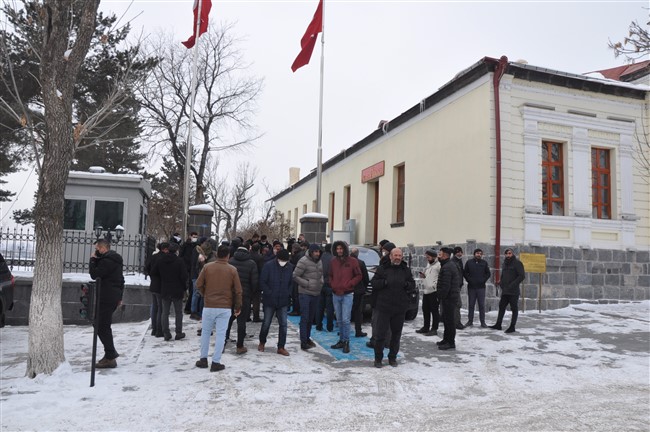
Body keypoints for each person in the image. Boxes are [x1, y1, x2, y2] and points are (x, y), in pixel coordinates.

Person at [195, 245, 242, 372]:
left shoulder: (207, 267)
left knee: (205, 333)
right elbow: (238, 291)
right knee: (221, 335)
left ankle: (203, 359)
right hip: (225, 306)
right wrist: (237, 306)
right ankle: (216, 362)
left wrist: (205, 294)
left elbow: (198, 284)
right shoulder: (232, 270)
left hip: (209, 305)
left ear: (217, 255)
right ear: (228, 256)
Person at [371, 248, 415, 368]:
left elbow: (412, 284)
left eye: (399, 256)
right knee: (380, 335)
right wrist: (384, 282)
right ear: (390, 256)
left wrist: (406, 284)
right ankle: (378, 359)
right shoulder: (382, 269)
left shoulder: (405, 270)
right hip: (383, 307)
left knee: (396, 335)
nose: (397, 258)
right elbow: (374, 283)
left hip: (399, 308)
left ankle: (392, 358)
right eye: (395, 255)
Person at [89, 239, 125, 368]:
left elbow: (94, 274)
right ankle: (110, 354)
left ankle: (110, 356)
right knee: (102, 324)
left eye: (97, 249)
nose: (96, 251)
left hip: (106, 296)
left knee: (100, 325)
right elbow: (121, 280)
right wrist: (119, 297)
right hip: (112, 295)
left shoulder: (107, 261)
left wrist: (92, 260)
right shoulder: (114, 260)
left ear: (103, 248)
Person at [258, 249, 294, 356]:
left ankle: (281, 347)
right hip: (269, 300)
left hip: (283, 300)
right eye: (282, 260)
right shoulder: (268, 266)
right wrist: (269, 292)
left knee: (283, 324)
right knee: (266, 323)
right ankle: (262, 342)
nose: (283, 262)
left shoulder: (289, 267)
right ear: (277, 259)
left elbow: (291, 282)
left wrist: (288, 293)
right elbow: (262, 281)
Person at [329, 241, 362, 354]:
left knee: (345, 319)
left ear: (345, 249)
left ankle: (346, 341)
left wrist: (350, 284)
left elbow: (359, 275)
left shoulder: (352, 261)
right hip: (335, 294)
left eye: (341, 248)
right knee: (339, 319)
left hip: (347, 294)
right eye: (337, 249)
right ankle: (341, 340)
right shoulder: (333, 261)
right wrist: (332, 284)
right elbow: (330, 275)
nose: (339, 251)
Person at [226, 245, 259, 354]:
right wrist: (251, 294)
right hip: (245, 295)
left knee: (229, 318)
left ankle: (224, 338)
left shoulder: (230, 261)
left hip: (230, 295)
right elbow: (254, 282)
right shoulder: (251, 263)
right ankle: (240, 345)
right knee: (241, 320)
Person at [152, 242, 187, 341]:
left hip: (165, 289)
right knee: (178, 312)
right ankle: (178, 332)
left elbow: (154, 272)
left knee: (165, 312)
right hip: (177, 289)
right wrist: (184, 287)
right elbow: (184, 276)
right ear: (176, 251)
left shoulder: (160, 260)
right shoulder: (180, 261)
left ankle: (166, 333)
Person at [292, 243, 323, 350]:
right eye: (315, 251)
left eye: (318, 251)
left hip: (316, 293)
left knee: (310, 318)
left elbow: (321, 274)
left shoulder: (319, 261)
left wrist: (321, 282)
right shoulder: (303, 261)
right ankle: (303, 341)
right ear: (311, 252)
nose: (317, 253)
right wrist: (307, 283)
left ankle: (307, 337)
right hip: (305, 293)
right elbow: (295, 275)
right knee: (305, 318)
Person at [367, 241, 395, 349]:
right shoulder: (382, 264)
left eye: (384, 251)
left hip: (383, 299)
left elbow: (377, 282)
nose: (383, 253)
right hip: (380, 298)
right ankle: (381, 340)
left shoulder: (387, 266)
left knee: (379, 322)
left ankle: (379, 341)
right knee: (378, 321)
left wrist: (383, 282)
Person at [490, 248, 526, 333]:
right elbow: (503, 275)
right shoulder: (505, 264)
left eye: (510, 253)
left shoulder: (517, 263)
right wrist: (501, 283)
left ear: (512, 254)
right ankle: (498, 324)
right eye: (506, 253)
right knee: (501, 306)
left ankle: (512, 326)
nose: (508, 255)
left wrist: (512, 284)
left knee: (514, 309)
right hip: (505, 290)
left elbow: (521, 276)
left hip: (513, 291)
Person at [436, 247, 462, 350]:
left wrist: (441, 297)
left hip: (449, 298)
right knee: (446, 320)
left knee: (450, 320)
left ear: (445, 255)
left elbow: (446, 285)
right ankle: (446, 339)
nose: (438, 256)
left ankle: (451, 342)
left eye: (440, 254)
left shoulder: (448, 266)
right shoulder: (447, 265)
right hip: (448, 297)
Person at [463, 248, 491, 327]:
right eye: (477, 253)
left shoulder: (484, 263)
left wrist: (483, 280)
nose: (479, 255)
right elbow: (465, 273)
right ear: (474, 254)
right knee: (471, 305)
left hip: (481, 287)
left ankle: (482, 322)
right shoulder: (469, 262)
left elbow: (488, 273)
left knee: (481, 305)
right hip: (471, 287)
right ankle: (470, 321)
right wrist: (469, 280)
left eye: (480, 254)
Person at [416, 249, 440, 336]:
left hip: (434, 291)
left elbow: (440, 277)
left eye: (428, 257)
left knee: (434, 311)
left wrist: (435, 285)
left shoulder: (438, 265)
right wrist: (423, 276)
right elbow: (428, 275)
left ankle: (434, 328)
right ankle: (426, 327)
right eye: (426, 257)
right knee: (425, 310)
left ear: (433, 257)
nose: (427, 259)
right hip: (426, 290)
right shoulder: (429, 265)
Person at [144, 242, 166, 337]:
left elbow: (147, 268)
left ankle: (154, 328)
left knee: (155, 306)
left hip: (153, 284)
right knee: (160, 307)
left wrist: (152, 276)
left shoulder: (153, 257)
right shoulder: (163, 258)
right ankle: (159, 329)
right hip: (161, 285)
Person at [350, 247, 369, 338]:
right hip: (358, 290)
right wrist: (363, 287)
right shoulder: (361, 263)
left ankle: (344, 330)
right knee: (358, 311)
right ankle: (358, 331)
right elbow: (366, 278)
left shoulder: (345, 263)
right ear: (358, 254)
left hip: (347, 290)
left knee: (346, 311)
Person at [316, 243, 334, 332]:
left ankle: (318, 325)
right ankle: (329, 326)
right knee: (330, 307)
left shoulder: (320, 258)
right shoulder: (333, 259)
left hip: (320, 284)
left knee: (320, 307)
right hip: (330, 285)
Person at [180, 231, 198, 314]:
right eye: (194, 236)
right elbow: (181, 255)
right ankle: (184, 297)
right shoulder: (185, 245)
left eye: (196, 237)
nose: (195, 238)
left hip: (192, 269)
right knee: (185, 284)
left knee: (192, 287)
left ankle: (189, 306)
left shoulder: (196, 245)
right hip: (185, 267)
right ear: (190, 236)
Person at [249, 243, 265, 322]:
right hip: (257, 279)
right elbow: (262, 269)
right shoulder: (260, 257)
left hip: (248, 279)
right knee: (256, 300)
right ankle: (256, 316)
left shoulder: (248, 256)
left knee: (248, 299)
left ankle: (247, 316)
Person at [452, 246, 465, 330]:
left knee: (456, 305)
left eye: (461, 252)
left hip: (458, 286)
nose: (459, 254)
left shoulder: (459, 261)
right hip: (454, 287)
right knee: (457, 304)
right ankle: (457, 323)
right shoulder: (453, 262)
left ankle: (456, 322)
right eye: (458, 252)